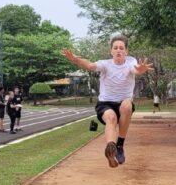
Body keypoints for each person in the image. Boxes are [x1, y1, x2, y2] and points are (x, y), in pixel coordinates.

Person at [62, 35, 152, 168]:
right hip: (105, 104)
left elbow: (135, 70)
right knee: (111, 117)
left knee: (127, 105)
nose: (118, 51)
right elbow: (90, 65)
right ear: (111, 51)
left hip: (123, 103)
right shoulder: (105, 64)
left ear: (126, 51)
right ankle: (111, 148)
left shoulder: (130, 61)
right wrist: (75, 59)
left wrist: (140, 70)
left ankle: (119, 146)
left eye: (121, 48)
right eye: (115, 48)